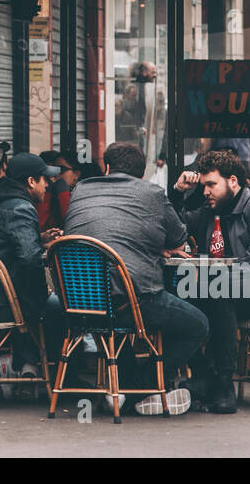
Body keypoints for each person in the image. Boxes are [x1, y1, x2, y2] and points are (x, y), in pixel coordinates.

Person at [63, 142, 206, 416]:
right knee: (198, 325)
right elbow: (178, 238)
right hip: (132, 301)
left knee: (116, 324)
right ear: (142, 174)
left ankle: (125, 386)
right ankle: (146, 383)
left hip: (81, 304)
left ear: (106, 168)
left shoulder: (80, 190)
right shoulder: (151, 193)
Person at [171, 151, 250, 412]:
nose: (206, 191)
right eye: (204, 185)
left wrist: (210, 281)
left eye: (211, 185)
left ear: (233, 181)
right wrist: (177, 192)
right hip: (225, 286)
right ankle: (204, 373)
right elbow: (176, 227)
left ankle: (223, 383)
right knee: (174, 293)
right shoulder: (213, 208)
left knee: (219, 293)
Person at [0, 152, 61, 381]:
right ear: (31, 181)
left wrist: (38, 238)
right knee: (64, 306)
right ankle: (62, 374)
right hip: (4, 297)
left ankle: (25, 363)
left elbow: (4, 243)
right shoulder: (21, 207)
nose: (48, 185)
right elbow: (30, 261)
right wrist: (44, 293)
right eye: (44, 179)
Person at [37, 149, 79, 230]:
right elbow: (40, 226)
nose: (55, 175)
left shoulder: (81, 196)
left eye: (61, 170)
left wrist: (63, 193)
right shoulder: (50, 193)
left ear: (76, 174)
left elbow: (71, 225)